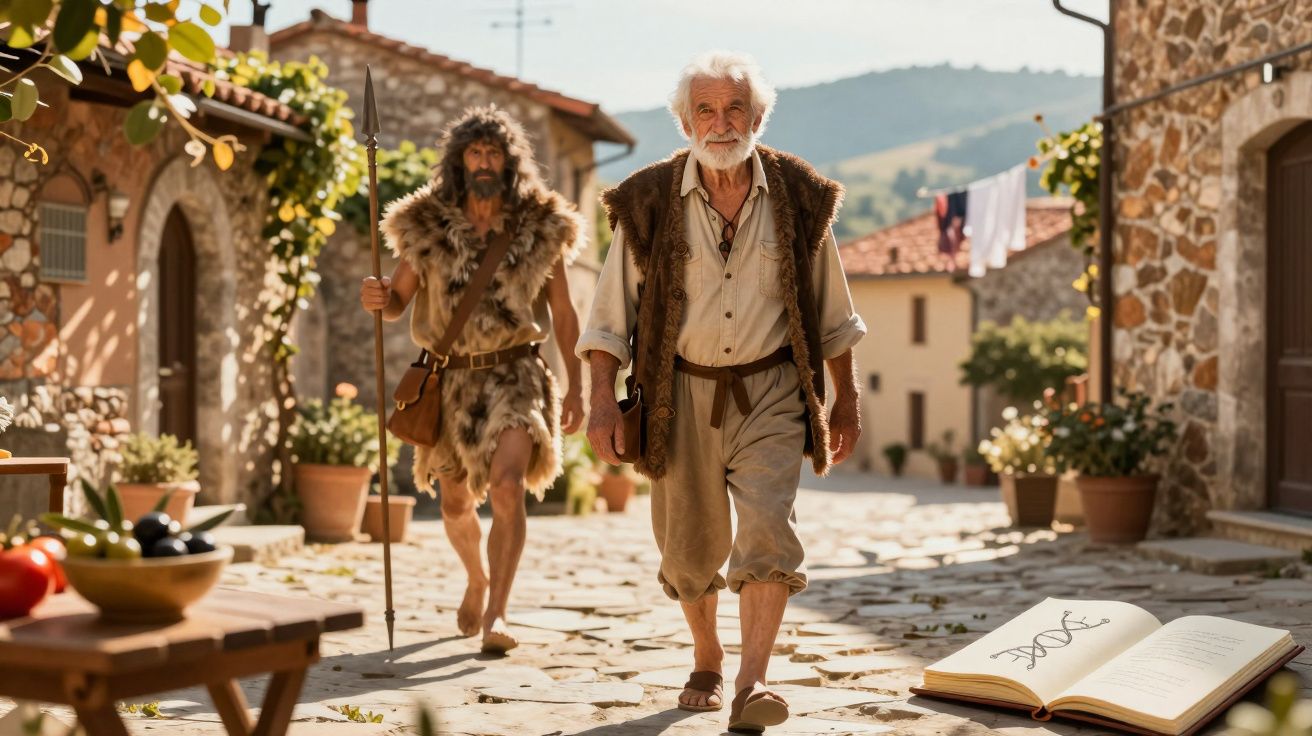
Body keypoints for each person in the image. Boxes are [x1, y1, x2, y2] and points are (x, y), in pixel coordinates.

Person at [578, 51, 866, 733]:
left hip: (771, 388)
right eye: (705, 109)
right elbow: (609, 316)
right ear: (683, 121)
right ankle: (707, 651)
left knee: (769, 524)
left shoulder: (800, 195)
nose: (720, 122)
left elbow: (833, 310)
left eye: (734, 108)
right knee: (687, 546)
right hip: (677, 391)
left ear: (758, 116)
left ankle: (752, 679)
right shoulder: (646, 201)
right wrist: (598, 399)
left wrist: (845, 399)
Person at [361, 106, 585, 654]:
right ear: (459, 160)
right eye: (475, 152)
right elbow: (398, 302)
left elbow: (565, 310)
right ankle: (477, 578)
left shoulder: (540, 224)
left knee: (508, 488)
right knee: (457, 504)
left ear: (510, 162)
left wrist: (578, 386)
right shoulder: (428, 224)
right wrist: (379, 298)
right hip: (451, 380)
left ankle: (498, 614)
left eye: (493, 153)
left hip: (518, 375)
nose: (484, 162)